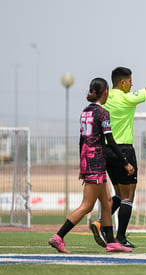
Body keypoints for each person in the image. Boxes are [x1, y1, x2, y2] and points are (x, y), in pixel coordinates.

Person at [90, 56, 146, 248]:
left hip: (106, 151)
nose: (133, 84)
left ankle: (100, 223)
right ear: (122, 82)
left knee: (117, 194)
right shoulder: (127, 98)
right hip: (123, 150)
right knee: (128, 197)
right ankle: (120, 237)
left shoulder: (105, 99)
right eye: (131, 81)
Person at [48, 78, 135, 253]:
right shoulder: (102, 113)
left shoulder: (85, 112)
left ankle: (111, 242)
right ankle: (58, 237)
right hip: (96, 162)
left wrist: (82, 166)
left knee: (107, 201)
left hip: (90, 161)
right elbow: (110, 140)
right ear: (106, 92)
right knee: (87, 205)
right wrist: (125, 163)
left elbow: (82, 141)